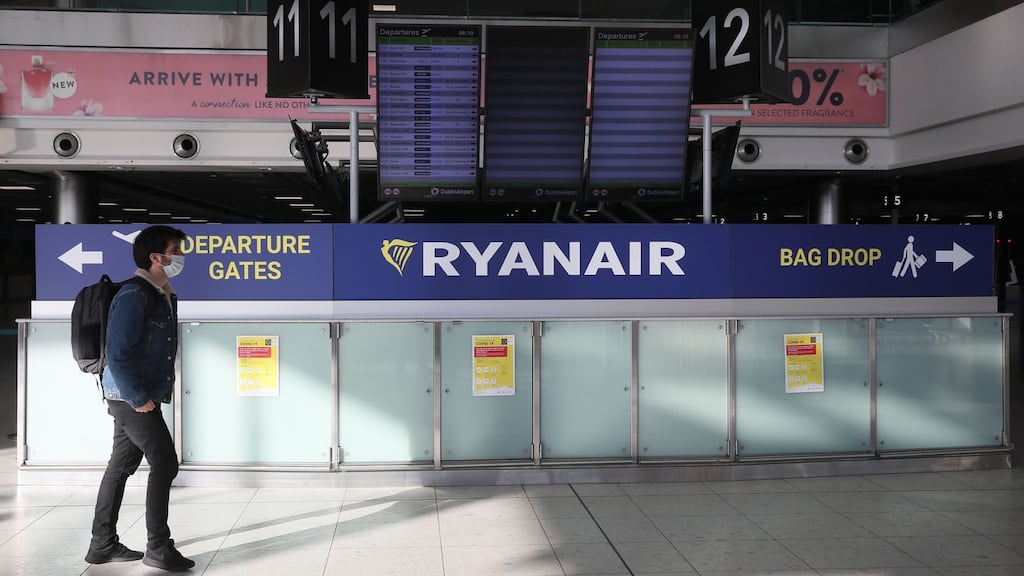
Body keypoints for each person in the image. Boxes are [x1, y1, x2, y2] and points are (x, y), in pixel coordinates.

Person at [85, 225, 195, 572]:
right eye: (175, 250)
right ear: (156, 257)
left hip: (135, 394)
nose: (180, 256)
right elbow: (117, 352)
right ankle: (158, 547)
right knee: (165, 462)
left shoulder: (161, 293)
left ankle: (101, 545)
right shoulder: (136, 295)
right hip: (130, 396)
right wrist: (137, 398)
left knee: (120, 466)